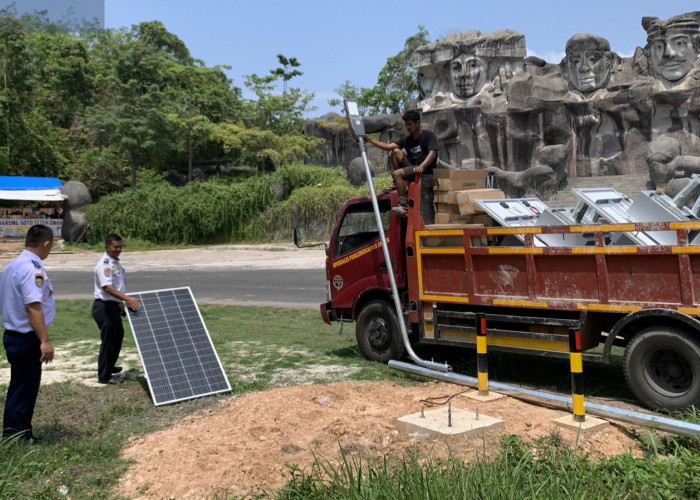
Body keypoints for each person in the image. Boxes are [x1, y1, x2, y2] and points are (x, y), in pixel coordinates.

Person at [1, 224, 55, 442]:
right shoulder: (32, 269)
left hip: (13, 335)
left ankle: (14, 432)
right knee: (25, 389)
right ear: (46, 243)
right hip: (26, 339)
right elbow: (33, 307)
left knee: (20, 386)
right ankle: (19, 436)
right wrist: (44, 340)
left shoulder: (12, 265)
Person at [363, 109, 438, 216]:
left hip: (425, 169)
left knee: (396, 173)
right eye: (406, 124)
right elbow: (389, 147)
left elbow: (432, 153)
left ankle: (403, 205)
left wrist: (422, 166)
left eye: (410, 124)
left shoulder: (428, 135)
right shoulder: (407, 139)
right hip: (412, 168)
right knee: (395, 152)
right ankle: (397, 182)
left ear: (417, 123)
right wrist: (371, 140)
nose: (407, 127)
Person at [93, 234, 140, 384]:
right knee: (108, 341)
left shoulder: (115, 262)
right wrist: (127, 299)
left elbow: (116, 287)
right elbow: (107, 287)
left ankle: (110, 366)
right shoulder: (105, 265)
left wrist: (120, 303)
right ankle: (104, 376)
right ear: (107, 247)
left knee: (117, 336)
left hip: (113, 306)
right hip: (104, 307)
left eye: (120, 246)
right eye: (115, 247)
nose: (118, 249)